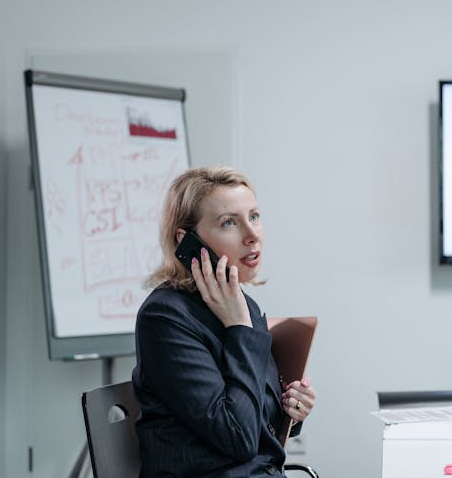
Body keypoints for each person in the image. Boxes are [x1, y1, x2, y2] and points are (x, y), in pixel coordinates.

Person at [132, 166, 315, 477]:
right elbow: (237, 437)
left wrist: (291, 412)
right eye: (229, 222)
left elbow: (254, 419)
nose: (252, 234)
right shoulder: (165, 318)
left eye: (254, 217)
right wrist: (240, 328)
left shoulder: (242, 306)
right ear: (186, 240)